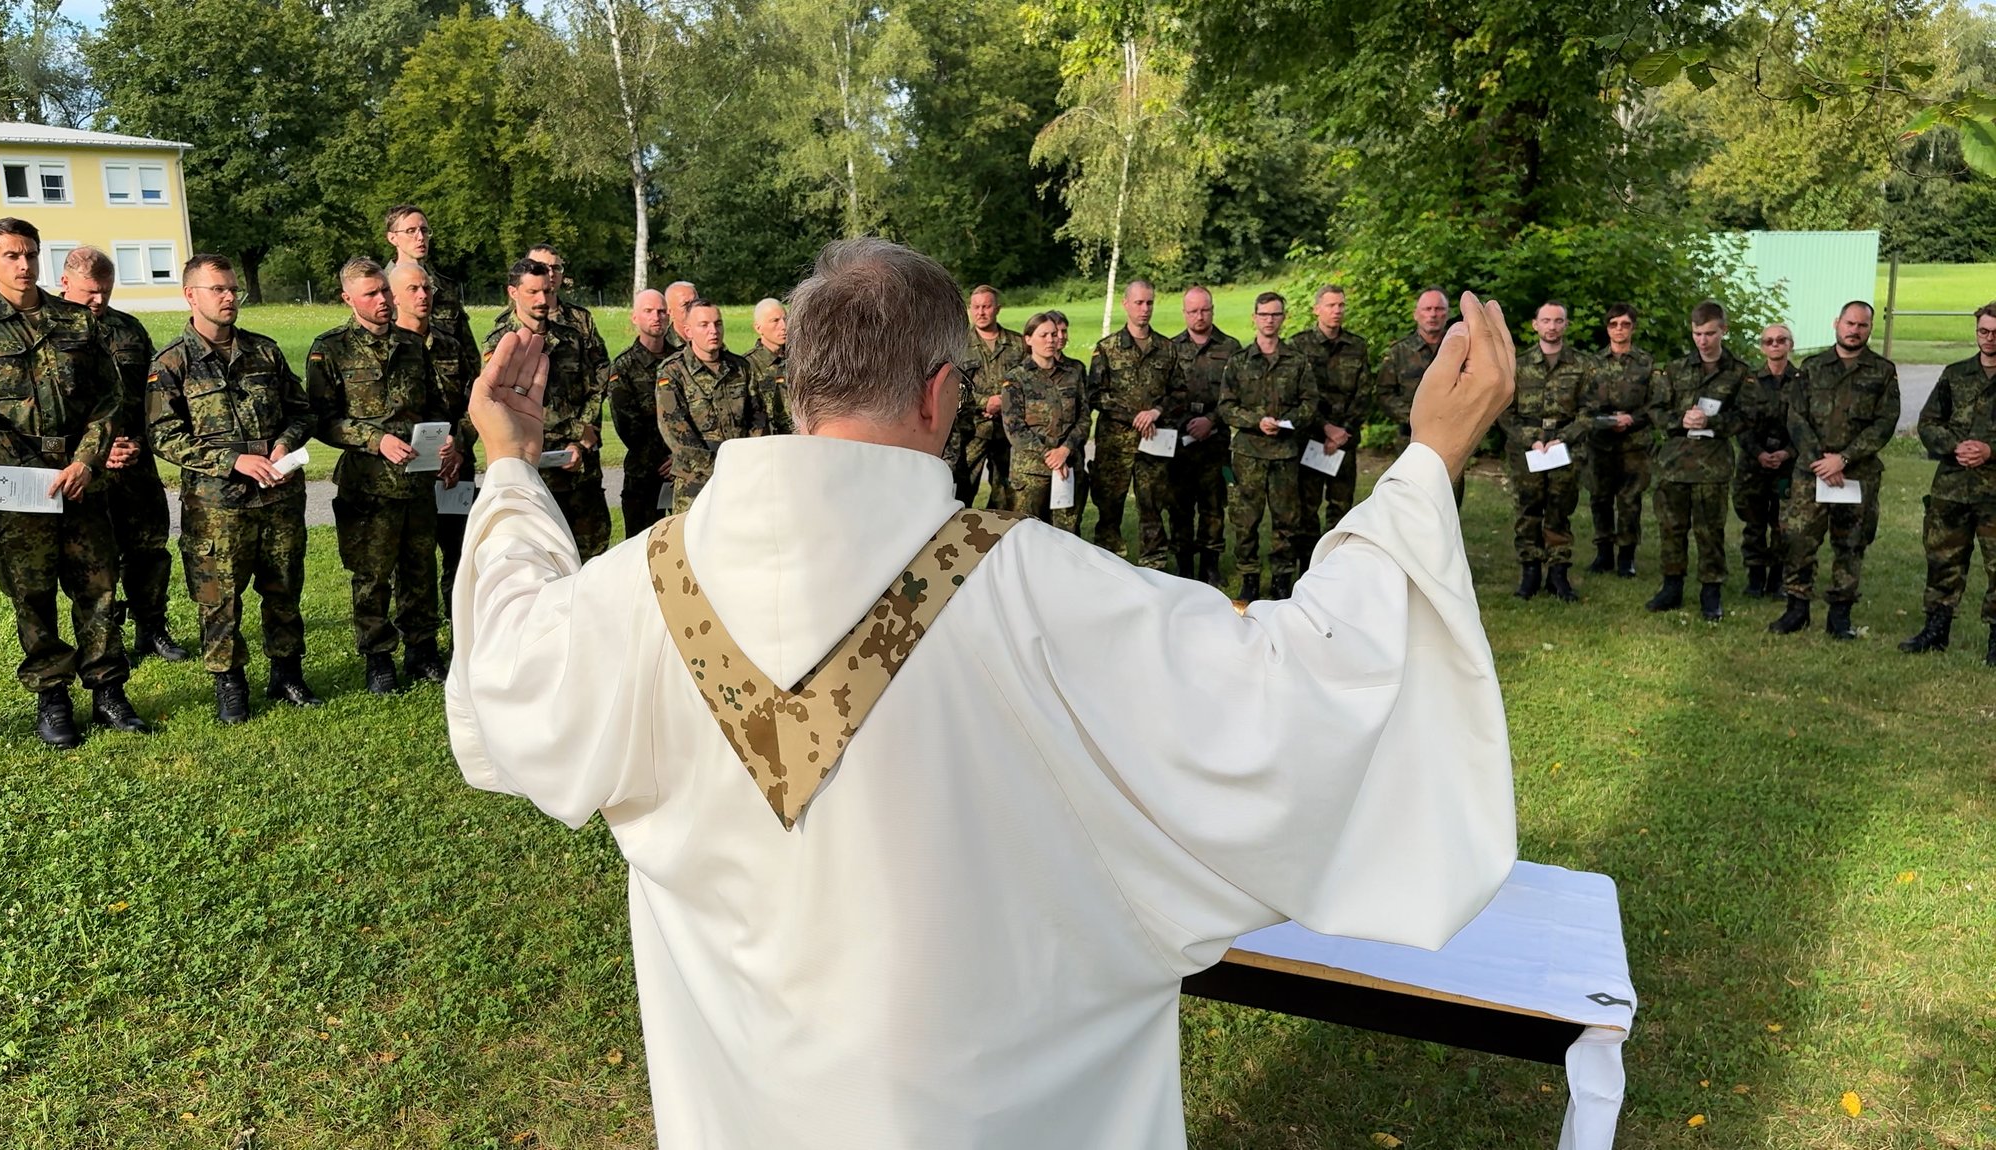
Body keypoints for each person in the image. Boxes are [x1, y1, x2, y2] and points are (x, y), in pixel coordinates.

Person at [445, 237, 1518, 1149]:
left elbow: (508, 657)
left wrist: (508, 462)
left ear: (798, 385)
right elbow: (1297, 688)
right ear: (940, 391)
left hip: (745, 1105)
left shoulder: (643, 587)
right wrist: (1426, 459)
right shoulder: (1033, 587)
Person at [0, 217, 148, 746]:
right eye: (12, 255)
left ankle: (109, 692)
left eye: (31, 254)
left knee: (99, 587)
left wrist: (86, 461)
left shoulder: (78, 320)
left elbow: (110, 398)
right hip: (19, 485)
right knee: (32, 594)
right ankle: (52, 696)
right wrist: (37, 475)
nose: (24, 264)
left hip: (82, 479)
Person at [145, 253, 319, 723]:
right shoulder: (172, 363)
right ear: (190, 296)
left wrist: (284, 442)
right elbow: (162, 435)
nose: (228, 297)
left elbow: (302, 410)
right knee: (219, 596)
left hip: (278, 496)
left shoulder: (264, 351)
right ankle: (229, 684)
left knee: (283, 587)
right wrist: (230, 459)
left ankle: (287, 674)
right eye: (217, 289)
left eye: (232, 289)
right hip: (216, 504)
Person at [306, 259, 460, 692]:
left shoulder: (411, 345)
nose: (382, 301)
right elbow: (323, 420)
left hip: (416, 481)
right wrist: (375, 440)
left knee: (419, 568)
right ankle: (378, 657)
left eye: (385, 292)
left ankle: (423, 650)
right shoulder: (329, 349)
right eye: (371, 294)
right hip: (367, 484)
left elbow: (432, 405)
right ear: (348, 299)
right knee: (371, 575)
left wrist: (443, 438)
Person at [58, 245, 190, 662]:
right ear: (65, 283)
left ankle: (152, 627)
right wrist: (95, 450)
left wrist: (137, 441)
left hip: (134, 459)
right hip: (82, 467)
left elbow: (151, 397)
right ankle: (107, 633)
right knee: (96, 556)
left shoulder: (128, 330)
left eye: (106, 291)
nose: (99, 300)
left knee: (149, 546)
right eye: (89, 292)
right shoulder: (50, 331)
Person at [1770, 301, 1901, 638]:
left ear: (1870, 329)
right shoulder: (1812, 368)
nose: (1854, 330)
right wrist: (1820, 461)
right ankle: (1796, 608)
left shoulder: (1882, 371)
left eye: (1862, 325)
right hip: (1810, 472)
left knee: (1851, 543)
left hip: (1855, 474)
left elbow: (1884, 423)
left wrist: (1843, 459)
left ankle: (1839, 616)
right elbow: (1795, 416)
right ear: (1836, 323)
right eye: (1849, 323)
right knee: (1798, 539)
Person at [482, 258, 611, 561]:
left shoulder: (571, 337)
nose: (543, 300)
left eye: (547, 291)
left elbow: (596, 387)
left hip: (579, 468)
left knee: (591, 557)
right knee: (538, 559)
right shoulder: (501, 343)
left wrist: (581, 440)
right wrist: (575, 429)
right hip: (532, 467)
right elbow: (505, 403)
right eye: (533, 293)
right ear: (512, 292)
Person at [1899, 303, 1996, 664]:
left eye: (1995, 333)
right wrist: (1956, 446)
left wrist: (1989, 449)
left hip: (1993, 491)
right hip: (1951, 488)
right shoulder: (1956, 374)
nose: (1989, 339)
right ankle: (1936, 631)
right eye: (1983, 331)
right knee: (1942, 560)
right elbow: (1928, 423)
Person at [1645, 301, 1747, 622]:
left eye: (1709, 334)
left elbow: (1747, 417)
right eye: (1697, 333)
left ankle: (1711, 590)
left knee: (1709, 531)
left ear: (1723, 331)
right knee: (1672, 529)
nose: (1702, 341)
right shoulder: (1674, 369)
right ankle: (1671, 586)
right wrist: (1681, 419)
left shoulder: (1739, 373)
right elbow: (1656, 411)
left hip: (1712, 467)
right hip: (1675, 464)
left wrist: (1712, 424)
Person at [391, 262, 480, 619]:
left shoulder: (451, 346)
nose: (423, 295)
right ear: (393, 296)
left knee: (462, 551)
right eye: (413, 289)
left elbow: (476, 401)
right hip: (408, 472)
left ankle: (463, 626)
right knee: (413, 559)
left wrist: (459, 443)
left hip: (456, 466)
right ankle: (419, 641)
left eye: (426, 288)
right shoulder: (389, 348)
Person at [1220, 291, 1314, 601]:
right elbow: (1226, 406)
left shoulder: (1297, 361)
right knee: (1245, 519)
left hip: (1285, 453)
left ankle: (1281, 578)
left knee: (1286, 519)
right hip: (1248, 453)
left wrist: (1287, 421)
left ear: (1283, 317)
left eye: (1275, 314)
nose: (1269, 320)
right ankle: (1248, 575)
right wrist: (1255, 420)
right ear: (1254, 317)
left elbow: (1310, 402)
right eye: (1264, 314)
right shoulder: (1239, 361)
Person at [1501, 301, 1593, 602]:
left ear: (1566, 325)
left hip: (1563, 450)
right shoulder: (1518, 364)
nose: (1552, 326)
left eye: (1558, 321)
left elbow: (1589, 411)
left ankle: (1558, 574)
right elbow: (1504, 410)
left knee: (1559, 510)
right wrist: (1531, 438)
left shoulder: (1582, 365)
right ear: (1535, 324)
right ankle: (1529, 572)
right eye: (1546, 320)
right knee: (1528, 510)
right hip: (1527, 450)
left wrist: (1563, 438)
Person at [1087, 280, 1182, 571]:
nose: (1144, 309)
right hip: (1115, 445)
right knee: (1109, 509)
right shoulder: (1107, 348)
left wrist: (1155, 411)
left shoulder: (1166, 348)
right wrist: (1133, 415)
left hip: (1153, 444)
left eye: (1149, 303)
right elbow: (1094, 394)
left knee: (1152, 508)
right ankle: (1107, 569)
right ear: (1126, 304)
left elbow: (1179, 393)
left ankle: (1154, 571)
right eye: (1139, 303)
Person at [654, 297, 768, 513]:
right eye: (704, 325)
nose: (713, 331)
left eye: (718, 323)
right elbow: (676, 432)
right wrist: (718, 470)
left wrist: (747, 462)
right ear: (688, 331)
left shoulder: (740, 367)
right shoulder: (672, 372)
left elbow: (758, 416)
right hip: (696, 484)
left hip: (741, 476)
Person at [1289, 284, 1372, 573]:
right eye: (1330, 305)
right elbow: (1298, 394)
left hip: (1344, 441)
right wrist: (1325, 428)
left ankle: (1336, 568)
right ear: (1316, 309)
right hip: (1311, 440)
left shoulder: (1357, 346)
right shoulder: (1299, 346)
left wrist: (1343, 431)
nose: (1336, 311)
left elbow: (1364, 393)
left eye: (1341, 305)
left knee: (1341, 507)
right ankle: (1306, 567)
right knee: (1306, 508)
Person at [1170, 286, 1239, 585]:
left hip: (1216, 442)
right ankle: (1184, 566)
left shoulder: (1231, 347)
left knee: (1214, 504)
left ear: (1212, 310)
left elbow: (1238, 395)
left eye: (1205, 310)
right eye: (1193, 311)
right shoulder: (1171, 348)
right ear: (1184, 313)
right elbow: (1166, 395)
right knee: (1180, 505)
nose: (1199, 316)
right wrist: (1187, 422)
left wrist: (1211, 421)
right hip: (1181, 444)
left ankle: (1211, 565)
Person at [1580, 303, 1654, 578]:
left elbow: (1655, 403)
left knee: (1630, 500)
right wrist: (1608, 421)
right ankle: (1603, 552)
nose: (1619, 329)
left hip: (1634, 442)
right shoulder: (1593, 364)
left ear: (1633, 327)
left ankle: (1627, 556)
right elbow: (1584, 402)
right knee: (1600, 498)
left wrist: (1632, 419)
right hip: (1600, 441)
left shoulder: (1645, 363)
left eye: (1625, 324)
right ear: (1607, 328)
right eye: (1614, 324)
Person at [1377, 287, 1466, 505]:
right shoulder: (1399, 352)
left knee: (1448, 498)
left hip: (1451, 436)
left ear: (1447, 313)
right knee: (1409, 497)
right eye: (1427, 309)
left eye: (1439, 309)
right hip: (1410, 437)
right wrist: (1417, 419)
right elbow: (1384, 393)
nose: (1433, 314)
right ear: (1416, 314)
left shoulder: (1463, 351)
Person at [1001, 310, 1088, 529]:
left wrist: (1065, 450)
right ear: (1028, 339)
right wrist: (1049, 456)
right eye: (1043, 335)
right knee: (1027, 537)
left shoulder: (1073, 372)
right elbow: (1014, 428)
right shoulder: (1016, 378)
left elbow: (1084, 417)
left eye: (1053, 334)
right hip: (1030, 474)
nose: (1051, 340)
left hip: (1067, 468)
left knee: (1067, 537)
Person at [1733, 323, 1799, 599]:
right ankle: (1755, 576)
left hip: (1788, 465)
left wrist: (1787, 452)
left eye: (1781, 340)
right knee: (1754, 521)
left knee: (1783, 522)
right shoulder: (1748, 381)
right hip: (1753, 464)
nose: (1775, 345)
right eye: (1769, 341)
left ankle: (1778, 578)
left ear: (1790, 345)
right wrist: (1759, 453)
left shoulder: (1803, 381)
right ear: (1762, 346)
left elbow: (1809, 423)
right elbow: (1739, 422)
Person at [952, 285, 1028, 508]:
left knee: (1005, 493)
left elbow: (1028, 382)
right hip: (972, 430)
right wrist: (986, 402)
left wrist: (1005, 402)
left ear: (998, 308)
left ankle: (996, 538)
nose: (980, 312)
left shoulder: (1017, 343)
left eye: (986, 306)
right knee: (962, 490)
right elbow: (952, 386)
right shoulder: (959, 344)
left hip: (1007, 431)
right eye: (975, 307)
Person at [609, 289, 676, 536]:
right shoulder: (624, 366)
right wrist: (663, 460)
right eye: (648, 311)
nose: (656, 317)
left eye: (661, 311)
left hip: (682, 470)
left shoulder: (682, 359)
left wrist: (679, 457)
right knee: (641, 550)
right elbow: (628, 426)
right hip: (644, 475)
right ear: (635, 318)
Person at [383, 204, 474, 351]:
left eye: (424, 230)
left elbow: (467, 350)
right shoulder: (380, 288)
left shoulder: (446, 288)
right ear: (393, 238)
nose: (420, 237)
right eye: (411, 231)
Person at [492, 244, 607, 359]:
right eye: (542, 267)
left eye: (556, 268)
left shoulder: (580, 318)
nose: (551, 273)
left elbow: (599, 366)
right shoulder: (506, 324)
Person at [746, 297, 792, 434]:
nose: (783, 326)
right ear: (758, 328)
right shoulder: (747, 366)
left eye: (785, 319)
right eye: (775, 321)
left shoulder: (799, 359)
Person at [663, 280, 697, 349]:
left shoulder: (709, 336)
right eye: (685, 304)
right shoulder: (662, 346)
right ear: (670, 312)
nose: (692, 308)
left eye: (696, 302)